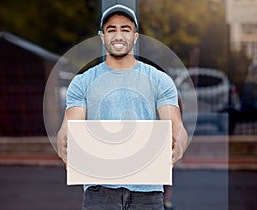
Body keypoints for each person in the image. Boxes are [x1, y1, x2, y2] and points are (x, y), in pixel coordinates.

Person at [57, 4, 188, 210]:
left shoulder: (159, 80)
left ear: (135, 36)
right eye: (111, 30)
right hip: (99, 191)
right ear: (102, 36)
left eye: (125, 29)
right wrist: (64, 140)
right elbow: (71, 124)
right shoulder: (82, 82)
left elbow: (175, 126)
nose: (118, 35)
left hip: (148, 190)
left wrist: (179, 144)